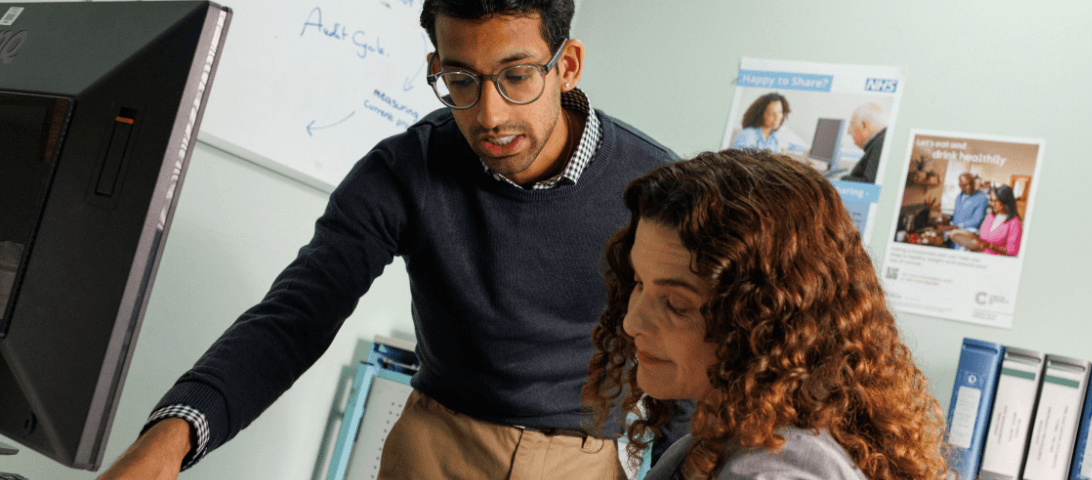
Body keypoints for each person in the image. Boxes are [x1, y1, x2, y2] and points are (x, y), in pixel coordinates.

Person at [98, 1, 689, 479]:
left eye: (516, 77)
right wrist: (169, 440)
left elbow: (694, 361)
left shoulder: (659, 190)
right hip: (432, 449)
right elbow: (295, 316)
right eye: (460, 79)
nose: (489, 115)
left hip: (580, 464)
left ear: (568, 65)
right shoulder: (404, 169)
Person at [582, 150, 948, 480]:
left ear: (766, 321)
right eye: (638, 283)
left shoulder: (774, 469)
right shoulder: (732, 431)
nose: (632, 323)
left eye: (677, 304)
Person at [730, 92, 809, 154]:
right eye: (771, 114)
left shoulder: (774, 136)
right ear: (761, 115)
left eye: (779, 112)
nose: (777, 118)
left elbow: (793, 145)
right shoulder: (747, 136)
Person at [841, 103, 887, 184]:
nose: (848, 131)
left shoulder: (880, 144)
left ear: (864, 125)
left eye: (852, 125)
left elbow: (868, 184)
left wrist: (842, 179)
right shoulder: (879, 141)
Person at [977, 184, 1023, 256]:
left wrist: (990, 246)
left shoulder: (1014, 222)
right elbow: (981, 237)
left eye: (997, 201)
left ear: (1005, 201)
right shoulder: (991, 216)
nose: (993, 204)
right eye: (992, 200)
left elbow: (1012, 252)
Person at [948, 172, 987, 250]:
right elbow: (956, 214)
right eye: (964, 185)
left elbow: (977, 220)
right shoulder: (959, 196)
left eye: (970, 184)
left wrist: (957, 226)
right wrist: (949, 221)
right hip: (954, 235)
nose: (968, 187)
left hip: (967, 237)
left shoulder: (981, 198)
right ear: (960, 186)